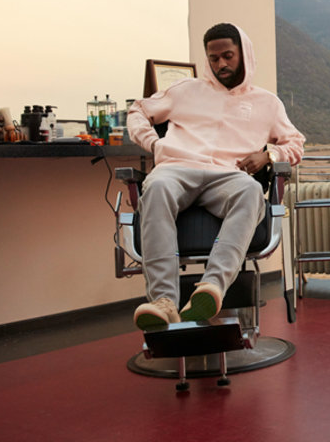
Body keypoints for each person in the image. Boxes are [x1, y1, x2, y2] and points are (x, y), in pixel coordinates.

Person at [127, 23, 304, 330]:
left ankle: (212, 289)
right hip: (177, 168)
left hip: (228, 175)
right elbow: (138, 110)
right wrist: (154, 144)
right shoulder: (185, 90)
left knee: (250, 192)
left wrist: (269, 155)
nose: (221, 63)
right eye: (214, 58)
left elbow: (296, 143)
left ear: (243, 54)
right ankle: (164, 302)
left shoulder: (267, 103)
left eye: (228, 56)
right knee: (155, 186)